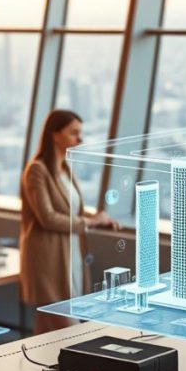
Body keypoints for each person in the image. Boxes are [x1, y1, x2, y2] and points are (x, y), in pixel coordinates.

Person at [20, 110, 119, 334]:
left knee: (48, 335)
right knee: (70, 332)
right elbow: (47, 218)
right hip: (49, 263)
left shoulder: (65, 170)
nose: (80, 138)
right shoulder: (37, 170)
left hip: (71, 257)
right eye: (74, 133)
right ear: (55, 135)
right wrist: (90, 222)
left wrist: (99, 219)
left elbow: (72, 210)